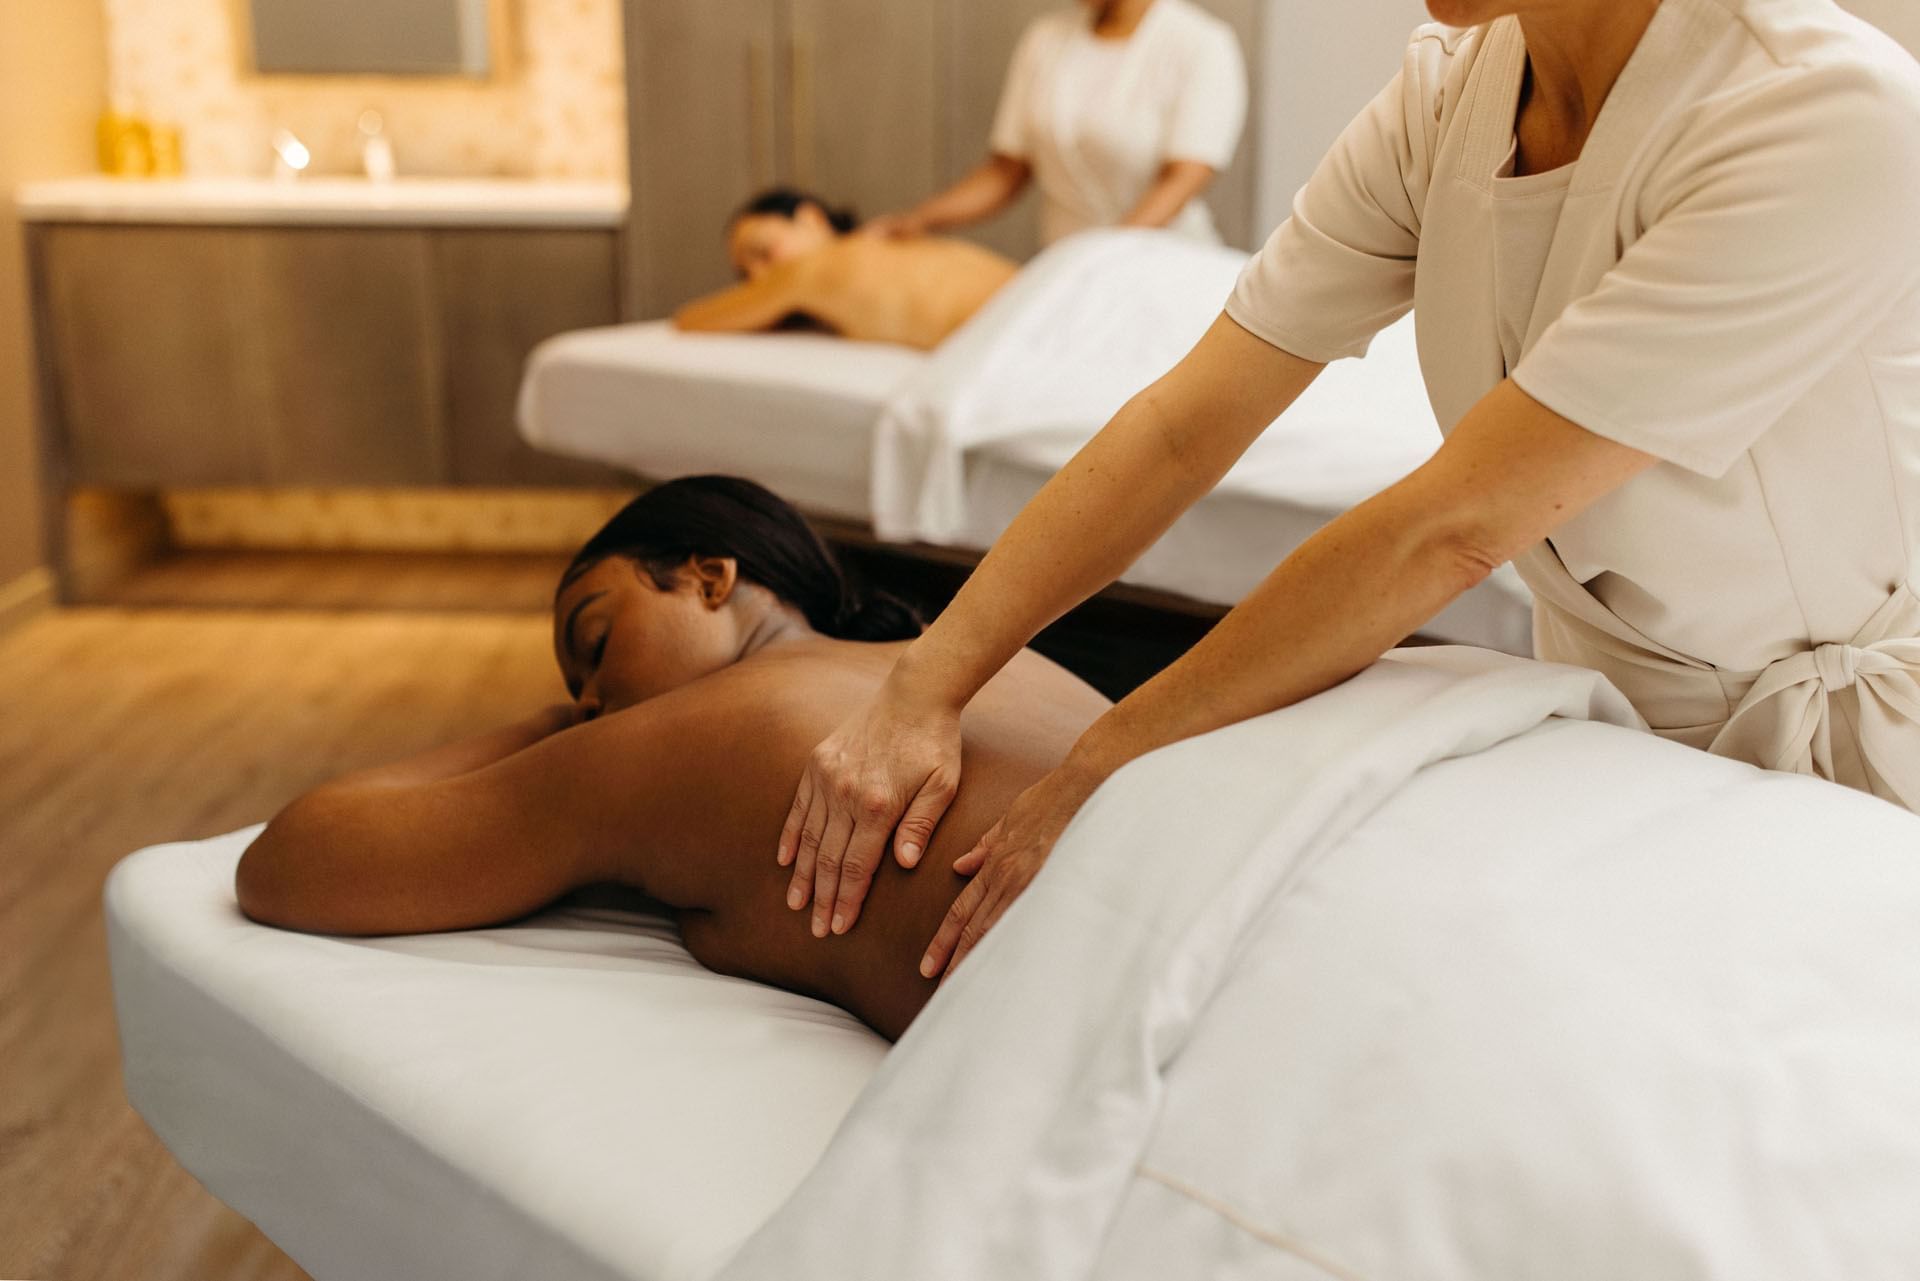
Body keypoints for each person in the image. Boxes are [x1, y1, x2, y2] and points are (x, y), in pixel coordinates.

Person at [781, 0, 1920, 981]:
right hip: (1610, 734)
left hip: (1862, 770)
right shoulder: (1451, 96)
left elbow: (1449, 532)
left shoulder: (1820, 115)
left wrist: (1103, 768)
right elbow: (1189, 423)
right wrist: (923, 684)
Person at [233, 477, 1109, 1041]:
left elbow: (289, 861)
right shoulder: (999, 660)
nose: (587, 699)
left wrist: (551, 729)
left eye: (595, 638)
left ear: (709, 578)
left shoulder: (696, 730)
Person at [864, 0, 1247, 246]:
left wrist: (1108, 256)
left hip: (1162, 263)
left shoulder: (1202, 44)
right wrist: (920, 219)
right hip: (1064, 264)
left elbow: (1183, 179)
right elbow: (1006, 172)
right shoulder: (1045, 39)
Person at [672, 188, 1016, 350]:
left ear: (810, 218)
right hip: (1042, 289)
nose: (760, 277)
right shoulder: (890, 247)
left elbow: (690, 320)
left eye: (762, 251)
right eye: (745, 275)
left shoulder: (809, 268)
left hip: (1018, 326)